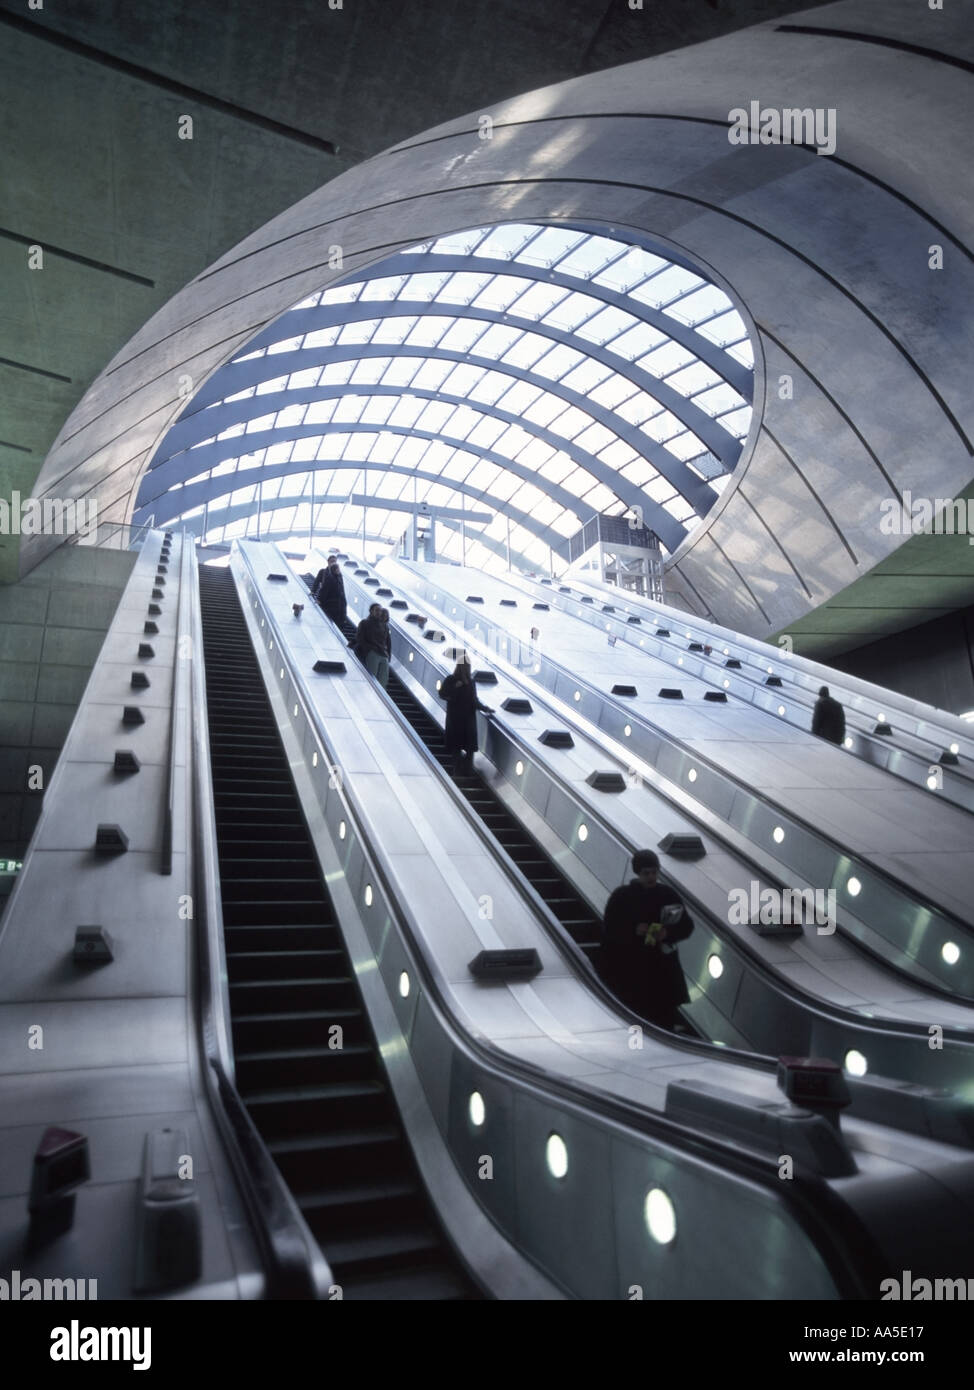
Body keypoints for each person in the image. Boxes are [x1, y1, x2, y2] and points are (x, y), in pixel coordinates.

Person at [602, 850, 693, 1031]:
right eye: (646, 873)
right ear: (637, 873)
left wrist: (667, 933)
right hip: (635, 969)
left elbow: (687, 925)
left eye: (654, 872)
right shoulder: (622, 897)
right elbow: (609, 928)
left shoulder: (668, 894)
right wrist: (633, 930)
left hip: (662, 970)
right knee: (639, 1019)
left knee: (663, 1019)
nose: (651, 877)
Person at [438, 660, 493, 775]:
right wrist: (455, 688)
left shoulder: (471, 682)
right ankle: (458, 773)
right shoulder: (451, 680)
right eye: (466, 666)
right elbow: (442, 694)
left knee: (469, 748)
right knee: (456, 748)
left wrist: (485, 708)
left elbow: (474, 700)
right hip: (456, 721)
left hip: (468, 721)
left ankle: (466, 772)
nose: (467, 669)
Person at [351, 602, 389, 687]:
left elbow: (386, 641)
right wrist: (369, 650)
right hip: (373, 653)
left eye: (380, 611)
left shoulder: (384, 625)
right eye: (377, 610)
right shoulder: (365, 623)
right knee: (371, 678)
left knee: (383, 681)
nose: (379, 612)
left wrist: (388, 655)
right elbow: (359, 638)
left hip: (383, 654)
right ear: (371, 611)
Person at [314, 555, 347, 627]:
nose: (333, 563)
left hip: (339, 605)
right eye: (332, 561)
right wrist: (317, 596)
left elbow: (342, 591)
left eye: (335, 561)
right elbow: (322, 588)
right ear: (328, 562)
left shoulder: (339, 577)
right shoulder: (326, 574)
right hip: (330, 604)